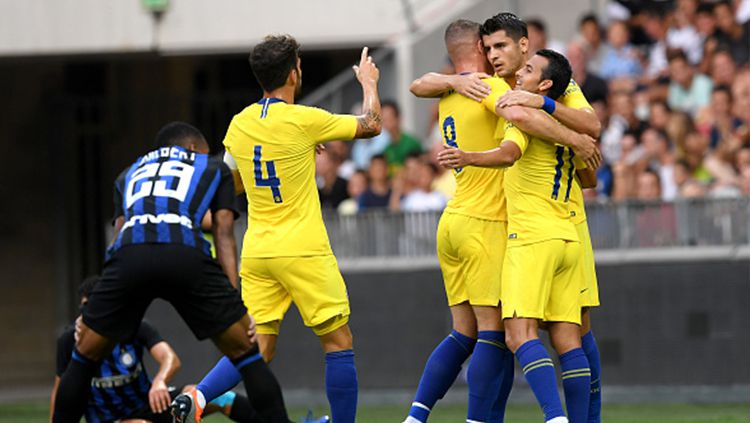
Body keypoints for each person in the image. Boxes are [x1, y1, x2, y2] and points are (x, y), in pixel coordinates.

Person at [177, 35, 382, 423]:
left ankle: (198, 397)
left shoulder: (240, 124)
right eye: (299, 64)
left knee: (258, 348)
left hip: (259, 251)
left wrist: (296, 152)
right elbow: (371, 124)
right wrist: (369, 83)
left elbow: (233, 184)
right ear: (293, 73)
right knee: (338, 341)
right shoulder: (303, 119)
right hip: (303, 248)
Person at [409, 13, 601, 423]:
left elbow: (590, 128)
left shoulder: (548, 83)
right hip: (541, 227)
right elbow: (588, 170)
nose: (495, 55)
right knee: (559, 335)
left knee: (520, 333)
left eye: (502, 47)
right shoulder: (495, 88)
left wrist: (544, 108)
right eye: (489, 48)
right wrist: (454, 79)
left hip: (535, 228)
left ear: (524, 46)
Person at [52, 121, 289, 423]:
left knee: (83, 359)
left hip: (130, 257)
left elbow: (120, 237)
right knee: (247, 355)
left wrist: (96, 309)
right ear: (192, 148)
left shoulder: (128, 173)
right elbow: (223, 231)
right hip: (184, 253)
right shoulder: (212, 167)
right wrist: (234, 303)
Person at [51, 276, 256, 423]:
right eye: (84, 307)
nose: (90, 313)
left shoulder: (134, 327)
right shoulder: (71, 340)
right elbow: (60, 393)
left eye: (95, 306)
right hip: (109, 418)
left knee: (217, 398)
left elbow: (170, 358)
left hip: (148, 403)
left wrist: (159, 381)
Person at [382, 100, 424, 171]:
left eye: (388, 118)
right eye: (382, 119)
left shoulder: (411, 143)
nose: (384, 122)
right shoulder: (386, 148)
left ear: (398, 118)